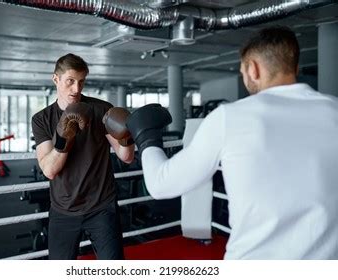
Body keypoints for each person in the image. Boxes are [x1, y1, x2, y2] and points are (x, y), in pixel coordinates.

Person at [125, 26, 338, 259]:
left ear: (252, 69)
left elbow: (160, 184)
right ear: (295, 67)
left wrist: (146, 137)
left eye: (243, 71)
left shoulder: (231, 117)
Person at [31, 53, 135, 260]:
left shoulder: (101, 110)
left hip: (102, 207)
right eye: (70, 81)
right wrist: (64, 137)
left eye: (81, 82)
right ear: (56, 79)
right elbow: (50, 170)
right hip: (63, 210)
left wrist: (128, 135)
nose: (76, 89)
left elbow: (127, 157)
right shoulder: (42, 119)